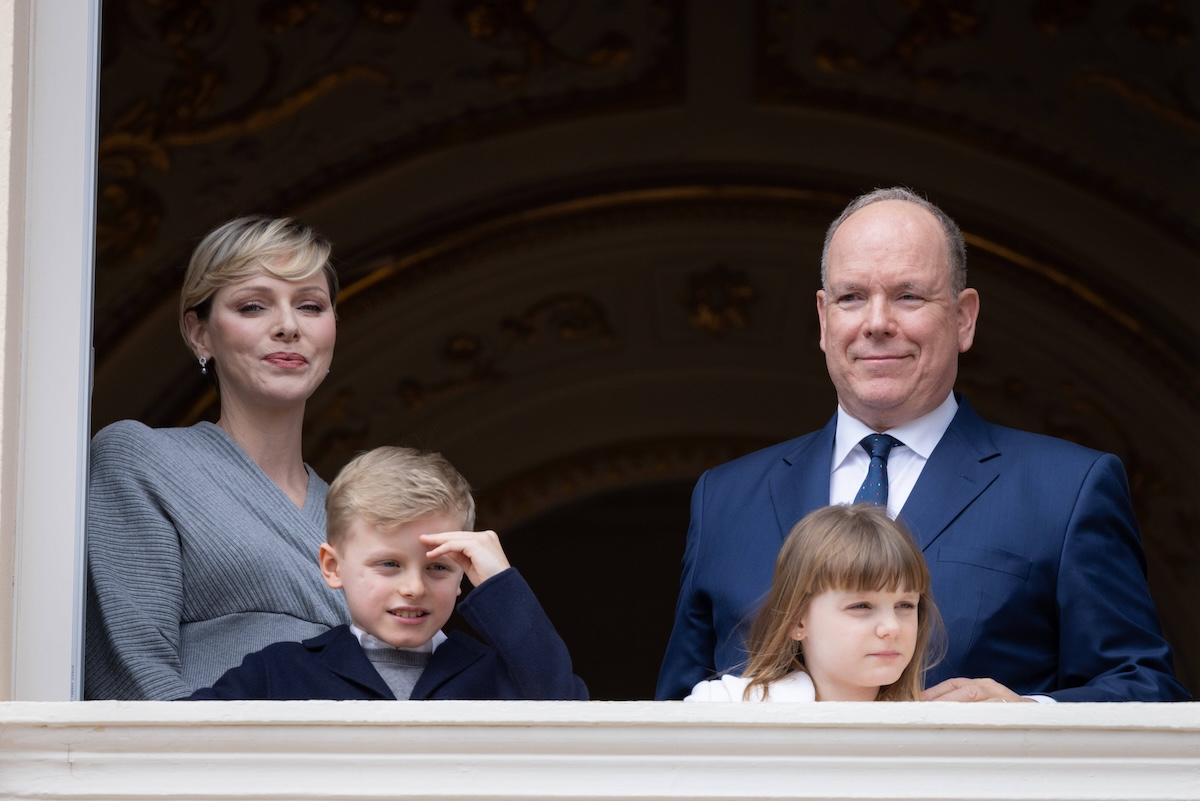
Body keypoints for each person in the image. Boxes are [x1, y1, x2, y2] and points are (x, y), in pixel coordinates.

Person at [657, 187, 1190, 703]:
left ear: (963, 317)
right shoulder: (724, 499)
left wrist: (1022, 716)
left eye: (908, 295)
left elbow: (1145, 689)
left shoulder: (1067, 490)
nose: (878, 323)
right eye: (852, 297)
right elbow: (670, 725)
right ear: (823, 319)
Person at [86, 215, 350, 700]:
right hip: (212, 768)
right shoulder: (141, 460)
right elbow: (135, 677)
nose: (288, 326)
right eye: (253, 306)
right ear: (200, 334)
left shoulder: (358, 512)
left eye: (311, 306)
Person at [187, 446, 588, 701]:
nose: (414, 588)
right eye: (389, 564)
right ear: (333, 567)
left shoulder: (496, 674)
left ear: (463, 573)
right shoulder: (278, 673)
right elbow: (174, 745)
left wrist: (502, 583)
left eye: (438, 567)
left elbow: (569, 716)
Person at [685, 504, 943, 702]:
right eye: (861, 606)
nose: (891, 627)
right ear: (797, 619)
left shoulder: (942, 728)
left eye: (905, 605)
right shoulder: (724, 706)